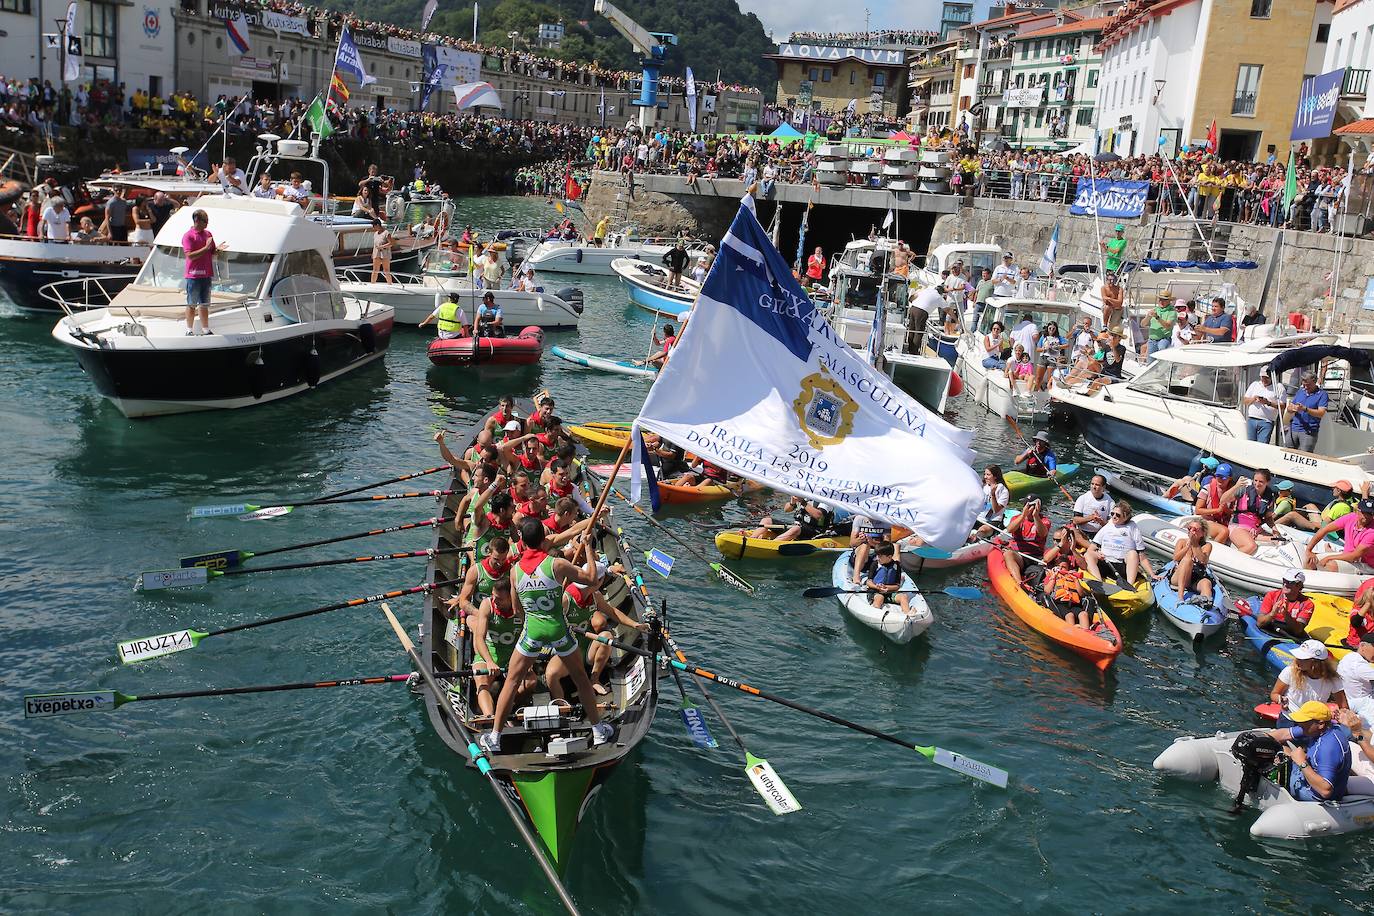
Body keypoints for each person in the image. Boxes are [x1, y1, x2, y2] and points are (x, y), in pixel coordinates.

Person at [480, 524, 613, 753]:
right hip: (558, 629)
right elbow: (592, 578)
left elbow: (516, 608)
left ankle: (494, 737)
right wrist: (588, 547)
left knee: (511, 681)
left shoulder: (514, 571)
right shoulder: (557, 564)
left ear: (523, 539)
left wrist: (532, 619)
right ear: (544, 540)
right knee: (581, 679)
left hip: (532, 630)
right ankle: (598, 731)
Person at [1266, 701, 1353, 801]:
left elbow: (1326, 791)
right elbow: (1283, 734)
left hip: (1313, 796)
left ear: (1320, 723)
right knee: (1282, 748)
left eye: (1304, 721)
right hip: (1324, 777)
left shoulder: (1327, 748)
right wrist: (1259, 738)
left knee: (1279, 753)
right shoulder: (1323, 729)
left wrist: (1302, 763)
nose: (1300, 723)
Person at [1269, 641, 1347, 728]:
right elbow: (1274, 694)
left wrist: (1337, 715)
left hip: (1314, 724)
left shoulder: (1333, 679)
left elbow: (1343, 706)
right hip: (1289, 720)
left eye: (1302, 659)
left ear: (1316, 663)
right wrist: (1281, 699)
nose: (1297, 660)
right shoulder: (1289, 671)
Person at [1085, 500, 1153, 586]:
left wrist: (1152, 574)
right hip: (1106, 563)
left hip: (1122, 567)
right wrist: (1097, 553)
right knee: (1088, 554)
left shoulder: (1132, 528)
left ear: (1125, 517)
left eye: (1118, 515)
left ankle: (1129, 585)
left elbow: (1142, 557)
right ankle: (1099, 583)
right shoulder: (1108, 526)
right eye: (1112, 514)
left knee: (1133, 553)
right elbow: (1091, 549)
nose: (1114, 516)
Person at [181, 208, 226, 336]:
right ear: (197, 221)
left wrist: (217, 250)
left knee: (205, 303)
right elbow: (190, 256)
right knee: (192, 303)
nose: (207, 224)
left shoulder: (208, 234)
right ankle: (189, 329)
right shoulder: (188, 236)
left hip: (206, 274)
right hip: (193, 275)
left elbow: (212, 252)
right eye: (205, 221)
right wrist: (206, 248)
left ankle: (205, 329)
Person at [1304, 497, 1374, 574]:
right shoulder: (1351, 517)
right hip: (1348, 556)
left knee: (1330, 565)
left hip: (1367, 564)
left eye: (1370, 514)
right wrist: (1309, 550)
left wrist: (1329, 557)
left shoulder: (1371, 532)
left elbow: (1354, 556)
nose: (1367, 516)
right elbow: (1324, 529)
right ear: (1357, 511)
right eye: (1364, 512)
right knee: (1310, 560)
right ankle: (1306, 582)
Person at [1041, 527, 1092, 628]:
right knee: (1070, 615)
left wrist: (1073, 549)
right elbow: (1046, 559)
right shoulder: (1052, 552)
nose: (1055, 542)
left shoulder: (1074, 554)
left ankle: (1086, 632)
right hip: (1056, 590)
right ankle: (1072, 631)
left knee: (1083, 612)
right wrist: (1060, 545)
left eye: (1058, 540)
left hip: (1073, 591)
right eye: (1054, 539)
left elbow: (1084, 566)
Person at [1222, 468, 1277, 555]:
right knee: (1251, 546)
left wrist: (1274, 529)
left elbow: (1268, 517)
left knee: (1278, 541)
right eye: (1255, 480)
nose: (1257, 484)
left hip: (1255, 529)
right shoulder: (1244, 489)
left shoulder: (1270, 496)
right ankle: (1230, 561)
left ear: (1267, 482)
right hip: (1238, 525)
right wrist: (1236, 486)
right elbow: (1223, 500)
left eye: (1261, 481)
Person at [1253, 570, 1316, 641]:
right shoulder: (1272, 595)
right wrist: (1272, 613)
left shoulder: (1307, 604)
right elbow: (1259, 623)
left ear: (1299, 585)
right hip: (1271, 630)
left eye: (1289, 582)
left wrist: (1286, 614)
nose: (1285, 584)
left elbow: (1298, 630)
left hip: (1290, 636)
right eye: (1284, 580)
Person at [1002, 496, 1051, 586]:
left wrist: (1035, 516)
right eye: (1025, 504)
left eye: (1027, 505)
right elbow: (1010, 529)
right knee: (1008, 553)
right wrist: (1023, 516)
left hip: (1035, 557)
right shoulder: (1017, 518)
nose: (1024, 507)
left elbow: (1043, 533)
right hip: (1019, 554)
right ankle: (1018, 581)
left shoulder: (1044, 521)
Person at [1277, 479, 1358, 532]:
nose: (1332, 489)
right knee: (1310, 505)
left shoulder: (1340, 507)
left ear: (1339, 491)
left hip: (1321, 526)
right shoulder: (1351, 501)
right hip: (1321, 519)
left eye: (1334, 488)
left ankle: (1272, 526)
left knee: (1292, 515)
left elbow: (1324, 525)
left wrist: (1306, 522)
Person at [1168, 518, 1213, 604]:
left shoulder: (1207, 546)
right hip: (1179, 577)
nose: (1191, 531)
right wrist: (1188, 547)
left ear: (1202, 533)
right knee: (1187, 560)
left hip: (1195, 579)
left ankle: (1206, 602)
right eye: (1189, 528)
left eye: (1195, 529)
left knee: (1206, 583)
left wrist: (1194, 544)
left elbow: (1203, 560)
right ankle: (1180, 597)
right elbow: (1175, 558)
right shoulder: (1181, 542)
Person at [866, 543, 915, 617]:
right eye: (877, 555)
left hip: (890, 593)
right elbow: (868, 582)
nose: (877, 558)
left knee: (903, 597)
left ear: (889, 557)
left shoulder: (896, 566)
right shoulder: (875, 564)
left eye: (880, 556)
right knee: (880, 598)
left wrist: (887, 587)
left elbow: (897, 586)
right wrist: (877, 587)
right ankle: (875, 613)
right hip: (876, 592)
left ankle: (908, 614)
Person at [1338, 632, 1374, 730]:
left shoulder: (1348, 657)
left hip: (1350, 700)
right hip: (1363, 703)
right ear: (1362, 646)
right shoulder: (1359, 665)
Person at [1193, 462, 1236, 543]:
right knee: (1224, 531)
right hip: (1206, 521)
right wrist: (1217, 510)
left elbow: (1233, 513)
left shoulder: (1233, 493)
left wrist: (1226, 509)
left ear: (1229, 478)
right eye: (1218, 476)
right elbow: (1198, 510)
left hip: (1224, 522)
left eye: (1223, 477)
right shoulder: (1207, 489)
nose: (1220, 479)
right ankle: (1210, 551)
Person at [1285, 371, 1328, 452]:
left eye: (1307, 385)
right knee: (1287, 453)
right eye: (1303, 384)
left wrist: (1305, 409)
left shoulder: (1322, 394)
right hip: (1293, 428)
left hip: (1308, 432)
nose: (1305, 387)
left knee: (1305, 456)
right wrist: (1291, 408)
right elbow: (1290, 407)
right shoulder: (1301, 391)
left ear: (1314, 382)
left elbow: (1321, 413)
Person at [970, 465, 1011, 539]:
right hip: (979, 518)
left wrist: (993, 495)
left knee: (981, 532)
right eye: (985, 474)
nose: (985, 477)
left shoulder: (1003, 491)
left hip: (993, 521)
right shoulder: (984, 486)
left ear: (995, 476)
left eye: (988, 475)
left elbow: (996, 510)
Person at [1243, 368, 1282, 443]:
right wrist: (1254, 399)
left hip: (1266, 422)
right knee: (1250, 444)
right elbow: (1245, 401)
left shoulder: (1279, 387)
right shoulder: (1255, 384)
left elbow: (1282, 406)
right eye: (1262, 377)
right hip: (1251, 420)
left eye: (1266, 378)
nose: (1264, 380)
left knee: (1262, 445)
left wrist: (1268, 403)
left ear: (1272, 377)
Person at [369, 218, 395, 284]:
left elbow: (391, 243)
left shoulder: (386, 233)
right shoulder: (375, 234)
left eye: (373, 226)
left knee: (386, 270)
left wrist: (382, 247)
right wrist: (373, 253)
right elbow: (375, 245)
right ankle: (373, 284)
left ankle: (390, 284)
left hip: (385, 254)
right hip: (376, 253)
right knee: (375, 270)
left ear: (377, 225)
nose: (373, 228)